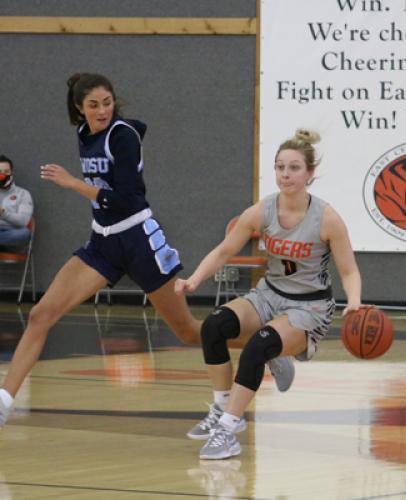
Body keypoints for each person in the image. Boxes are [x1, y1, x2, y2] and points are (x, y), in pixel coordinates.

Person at [0, 73, 292, 429]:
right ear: (79, 109)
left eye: (107, 102)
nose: (102, 110)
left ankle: (267, 347)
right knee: (40, 315)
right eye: (93, 105)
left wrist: (72, 183)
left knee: (187, 330)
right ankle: (4, 401)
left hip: (139, 239)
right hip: (103, 243)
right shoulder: (84, 134)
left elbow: (123, 198)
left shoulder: (123, 136)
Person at [175, 128, 363, 460]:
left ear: (309, 174)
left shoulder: (327, 218)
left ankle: (229, 430)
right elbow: (223, 251)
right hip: (269, 294)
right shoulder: (263, 210)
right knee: (213, 326)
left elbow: (348, 270)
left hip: (310, 307)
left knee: (257, 346)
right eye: (280, 167)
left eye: (294, 168)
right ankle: (222, 408)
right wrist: (194, 279)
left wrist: (355, 303)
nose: (286, 174)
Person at [0, 154, 34, 251]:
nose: (2, 175)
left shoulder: (23, 194)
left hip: (13, 232)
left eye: (6, 171)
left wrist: (3, 213)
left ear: (11, 172)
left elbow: (24, 221)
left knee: (24, 233)